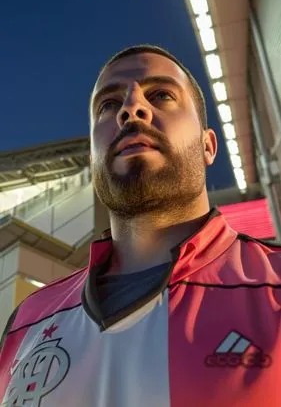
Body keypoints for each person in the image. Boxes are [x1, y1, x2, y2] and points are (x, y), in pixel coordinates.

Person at [1, 45, 281, 407]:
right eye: (108, 105)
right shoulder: (27, 322)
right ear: (93, 156)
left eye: (161, 95)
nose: (131, 109)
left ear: (208, 146)